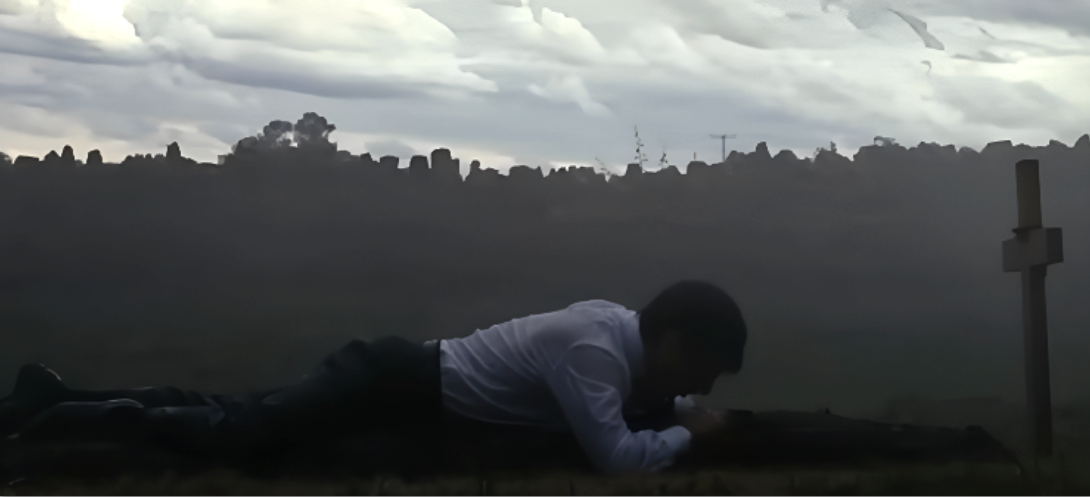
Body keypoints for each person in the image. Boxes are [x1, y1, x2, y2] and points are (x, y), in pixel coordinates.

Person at [0, 279, 746, 476]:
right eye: (705, 370)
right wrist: (685, 433)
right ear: (674, 342)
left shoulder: (615, 332)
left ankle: (53, 395)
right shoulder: (592, 350)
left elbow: (649, 404)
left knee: (235, 413)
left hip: (405, 377)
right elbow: (614, 460)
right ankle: (66, 424)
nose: (705, 388)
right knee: (238, 437)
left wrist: (679, 412)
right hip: (394, 379)